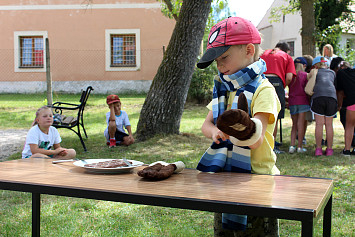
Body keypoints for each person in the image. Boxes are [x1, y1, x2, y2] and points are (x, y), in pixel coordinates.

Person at [196, 17, 281, 236]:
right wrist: (214, 131)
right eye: (216, 61)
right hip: (225, 176)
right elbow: (207, 124)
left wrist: (235, 130)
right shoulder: (224, 88)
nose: (220, 65)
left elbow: (256, 139)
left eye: (224, 57)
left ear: (249, 50)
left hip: (257, 181)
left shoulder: (264, 90)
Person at [260, 42, 296, 153]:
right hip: (276, 82)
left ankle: (260, 143)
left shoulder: (263, 53)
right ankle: (272, 147)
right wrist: (283, 86)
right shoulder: (286, 56)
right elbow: (289, 77)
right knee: (273, 116)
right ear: (286, 50)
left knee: (261, 113)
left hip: (261, 82)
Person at [288, 57, 317, 153]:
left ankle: (291, 146)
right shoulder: (305, 75)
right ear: (304, 66)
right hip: (303, 101)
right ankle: (299, 146)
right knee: (301, 125)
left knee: (294, 125)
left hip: (292, 101)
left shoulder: (291, 76)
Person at [311, 56, 337, 156]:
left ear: (315, 65)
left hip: (318, 97)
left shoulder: (314, 72)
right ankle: (329, 149)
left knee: (319, 124)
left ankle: (318, 149)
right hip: (331, 97)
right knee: (329, 125)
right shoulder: (332, 73)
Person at [336, 62, 355, 156]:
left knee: (349, 127)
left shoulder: (341, 74)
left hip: (351, 104)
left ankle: (347, 150)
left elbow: (340, 92)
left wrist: (339, 105)